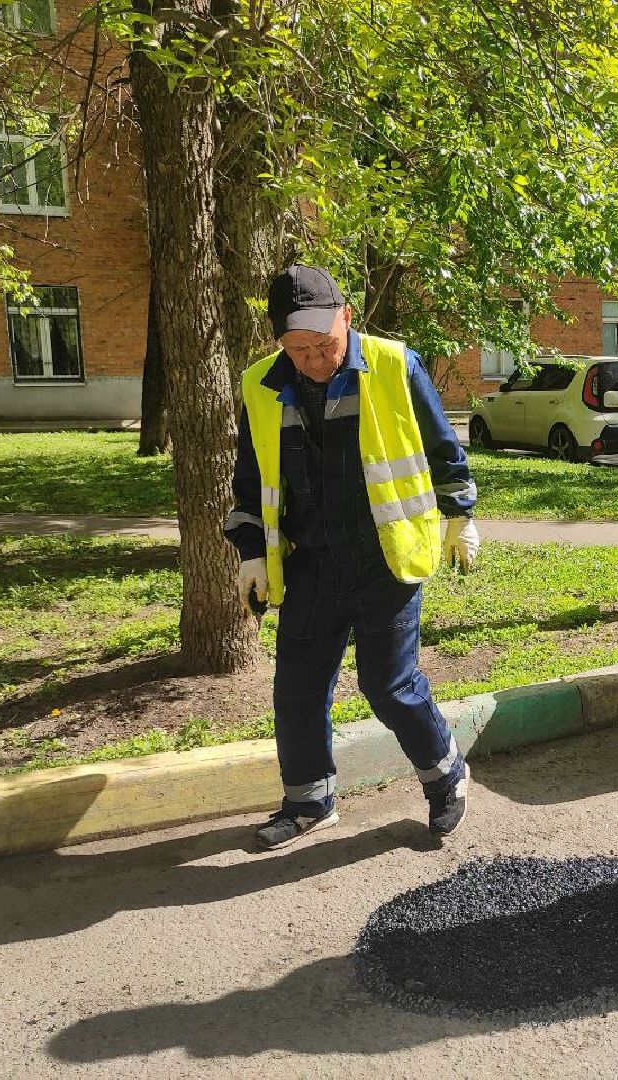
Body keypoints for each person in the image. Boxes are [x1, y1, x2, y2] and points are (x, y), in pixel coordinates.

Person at [225, 264, 481, 850]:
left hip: (384, 556)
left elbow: (443, 448)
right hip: (310, 561)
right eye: (298, 350)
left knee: (388, 685)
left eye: (324, 345)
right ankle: (309, 801)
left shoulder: (394, 365)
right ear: (279, 341)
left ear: (347, 318)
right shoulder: (260, 384)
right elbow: (251, 476)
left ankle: (447, 776)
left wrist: (460, 514)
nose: (314, 360)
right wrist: (251, 552)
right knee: (297, 687)